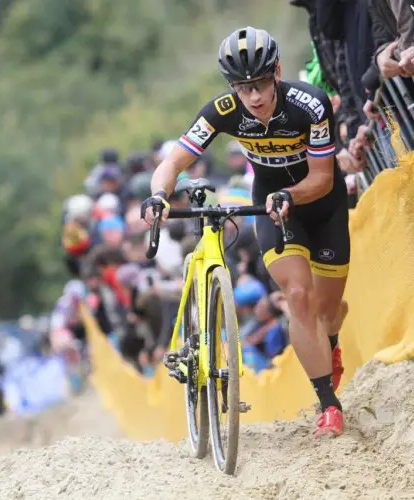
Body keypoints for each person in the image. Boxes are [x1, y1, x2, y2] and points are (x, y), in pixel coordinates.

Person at [141, 26, 350, 437]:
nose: (253, 97)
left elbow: (323, 178)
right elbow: (172, 163)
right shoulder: (221, 110)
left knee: (328, 313)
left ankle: (331, 343)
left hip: (321, 204)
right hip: (272, 207)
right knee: (298, 297)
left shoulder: (310, 105)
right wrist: (158, 197)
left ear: (277, 72)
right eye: (242, 87)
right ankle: (328, 404)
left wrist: (290, 192)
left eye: (260, 84)